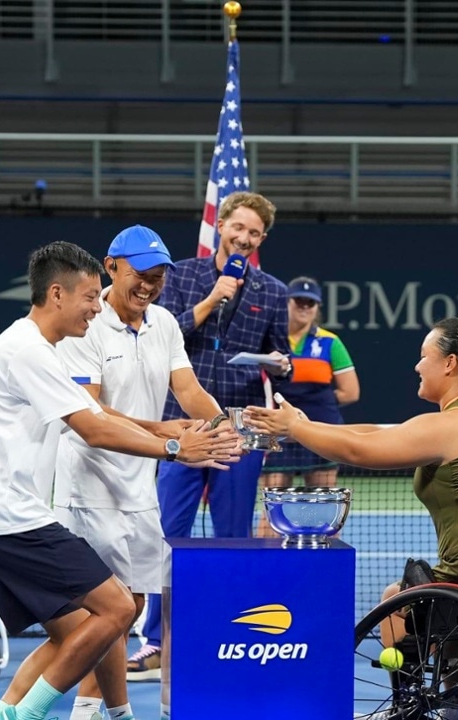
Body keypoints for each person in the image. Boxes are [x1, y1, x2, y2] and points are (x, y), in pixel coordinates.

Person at [0, 240, 239, 720]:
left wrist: (172, 429)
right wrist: (174, 447)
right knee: (117, 608)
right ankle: (27, 715)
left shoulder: (35, 347)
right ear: (57, 294)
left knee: (82, 630)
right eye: (89, 296)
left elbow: (96, 414)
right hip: (12, 518)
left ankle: (13, 716)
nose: (95, 306)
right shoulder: (30, 351)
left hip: (3, 518)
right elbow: (93, 427)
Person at [245, 317, 458, 632]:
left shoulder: (452, 424)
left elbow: (359, 451)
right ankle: (457, 678)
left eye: (424, 356)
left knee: (396, 599)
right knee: (424, 604)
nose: (417, 367)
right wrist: (304, 429)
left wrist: (296, 427)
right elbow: (376, 434)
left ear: (450, 363)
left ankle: (409, 683)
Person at [50, 226, 237, 720]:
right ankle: (75, 711)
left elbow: (190, 389)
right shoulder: (84, 326)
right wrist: (168, 440)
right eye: (140, 275)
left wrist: (222, 426)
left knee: (125, 608)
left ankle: (104, 709)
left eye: (157, 278)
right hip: (87, 489)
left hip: (140, 489)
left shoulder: (165, 325)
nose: (149, 287)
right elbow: (92, 414)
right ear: (110, 266)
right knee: (104, 614)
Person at [131, 191, 293, 681]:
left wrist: (281, 364)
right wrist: (211, 300)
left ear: (261, 239)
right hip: (183, 426)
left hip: (240, 432)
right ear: (220, 225)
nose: (244, 238)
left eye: (254, 233)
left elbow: (280, 356)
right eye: (238, 227)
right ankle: (155, 643)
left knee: (233, 538)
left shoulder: (273, 291)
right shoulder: (180, 276)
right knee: (166, 535)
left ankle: (233, 635)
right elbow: (164, 334)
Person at [256, 276, 360, 535]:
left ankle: (324, 567)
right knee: (273, 506)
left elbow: (350, 392)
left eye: (310, 303)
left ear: (317, 308)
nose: (304, 307)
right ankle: (266, 568)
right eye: (298, 301)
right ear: (287, 303)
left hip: (321, 430)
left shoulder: (330, 342)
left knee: (326, 506)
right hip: (279, 434)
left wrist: (315, 408)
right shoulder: (269, 342)